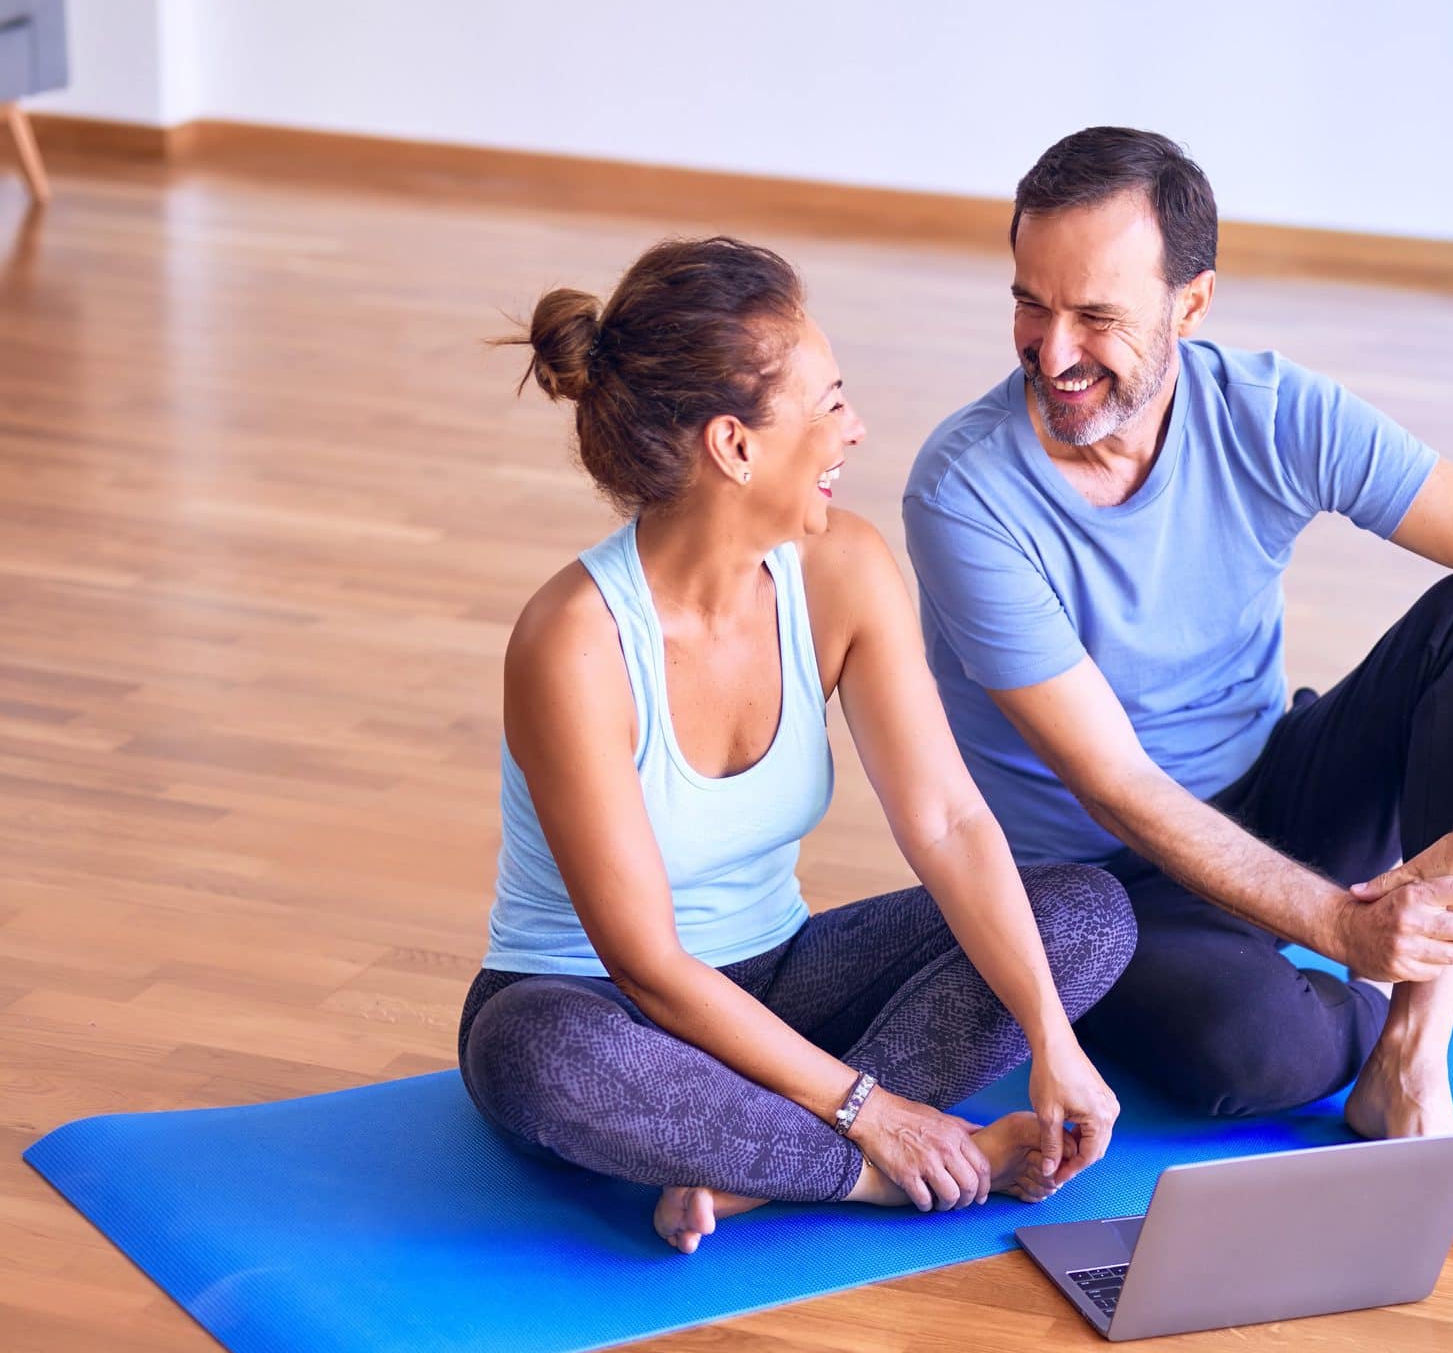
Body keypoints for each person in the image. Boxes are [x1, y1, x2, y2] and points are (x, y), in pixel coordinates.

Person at [904, 127, 1453, 1207]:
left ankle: (1412, 1056)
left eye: (1097, 317)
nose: (1052, 353)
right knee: (1253, 1057)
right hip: (1108, 886)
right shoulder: (965, 494)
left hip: (1278, 791)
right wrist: (1344, 928)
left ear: (1191, 307)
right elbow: (1121, 788)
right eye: (1029, 305)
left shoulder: (1273, 411)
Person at [459, 235, 1134, 1254]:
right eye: (827, 406)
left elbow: (949, 822)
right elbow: (646, 968)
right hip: (602, 1008)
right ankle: (866, 1174)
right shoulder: (575, 642)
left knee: (1086, 918)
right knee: (539, 1059)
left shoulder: (844, 571)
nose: (854, 429)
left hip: (782, 980)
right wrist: (874, 1114)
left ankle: (747, 1177)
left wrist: (1050, 1036)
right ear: (734, 446)